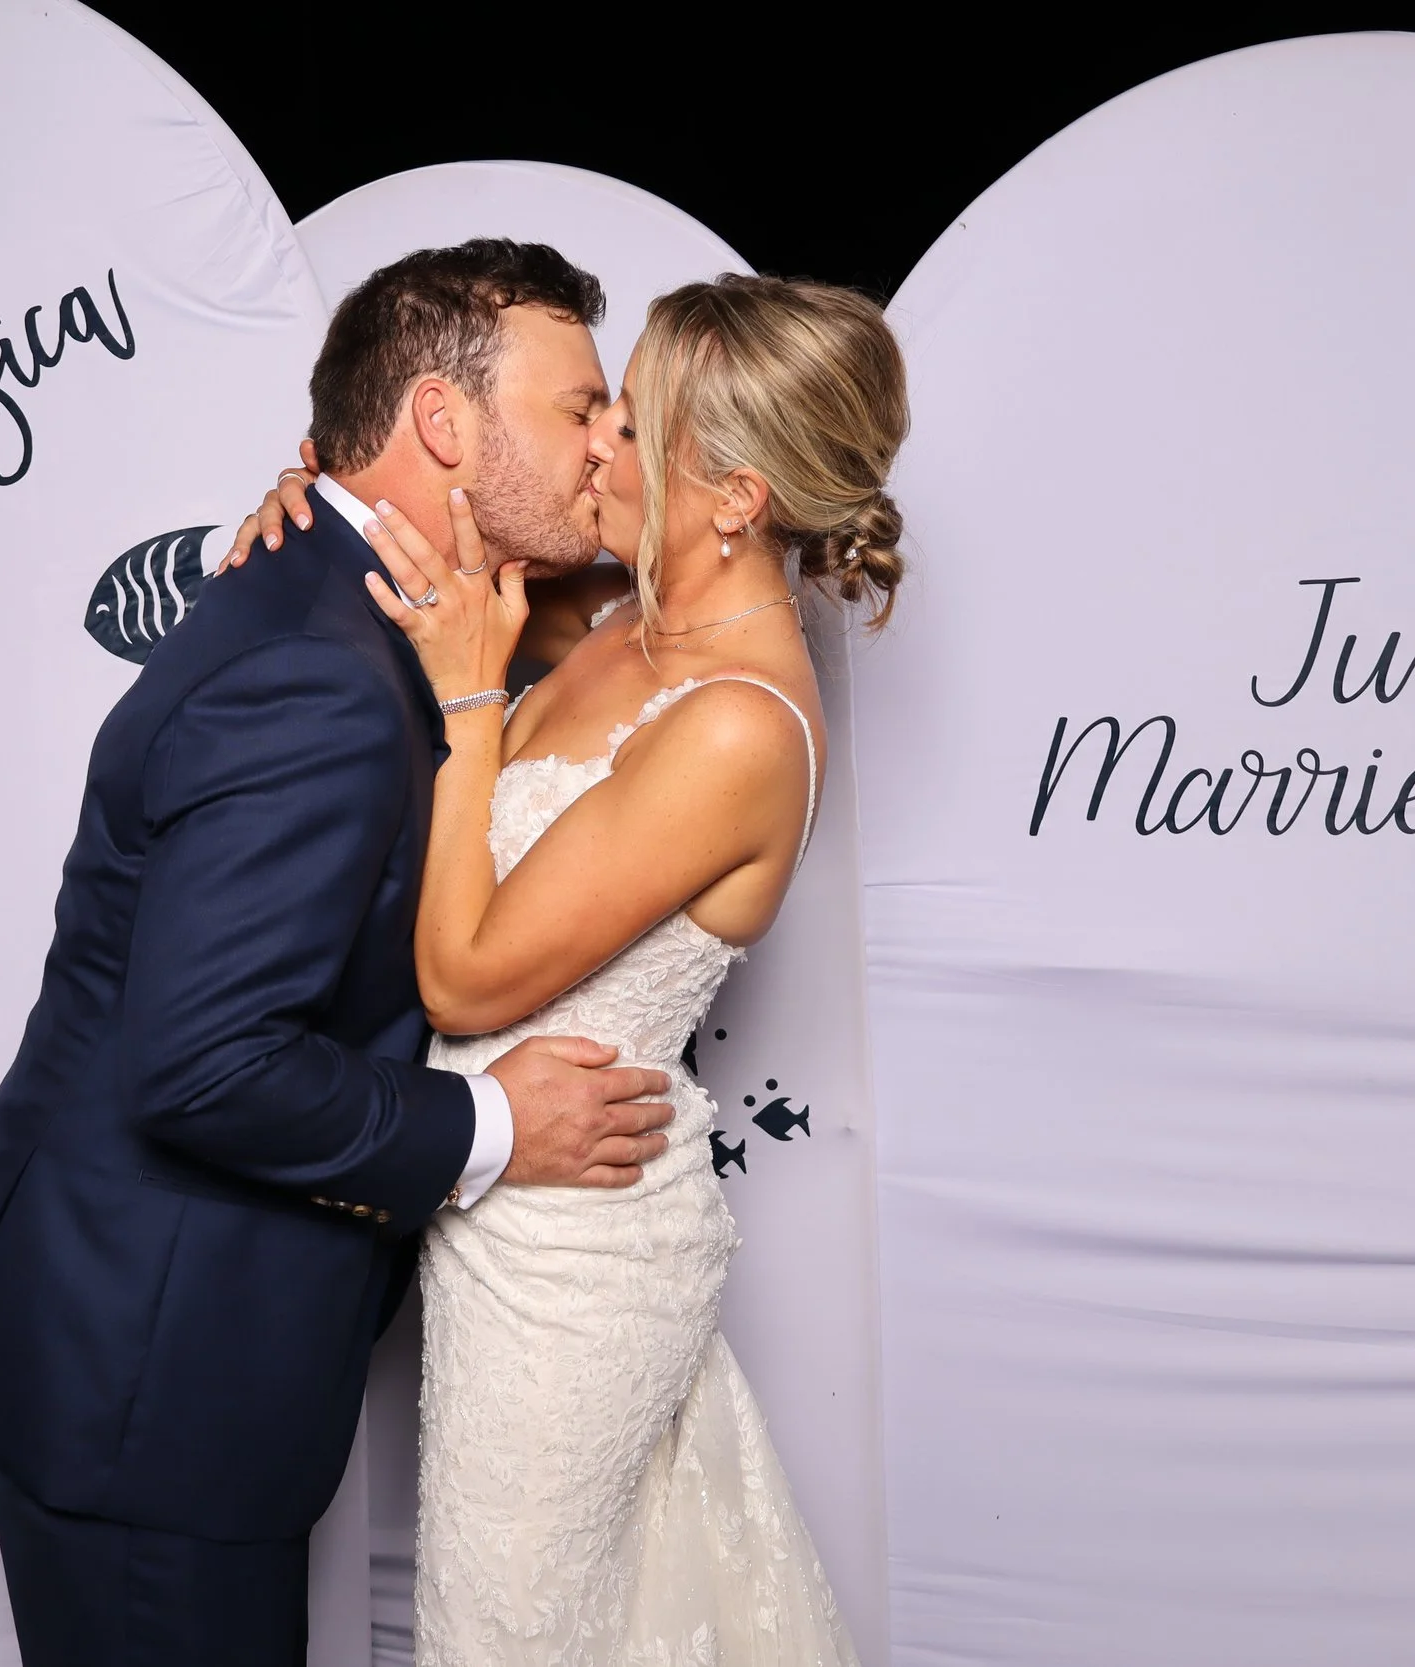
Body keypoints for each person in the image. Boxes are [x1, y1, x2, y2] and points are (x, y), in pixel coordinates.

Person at [0, 240, 681, 1667]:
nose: (606, 442)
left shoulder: (373, 595)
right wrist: (497, 1123)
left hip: (157, 1341)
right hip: (147, 1381)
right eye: (580, 407)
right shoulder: (319, 667)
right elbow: (205, 1065)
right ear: (444, 423)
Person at [226, 271, 908, 1663]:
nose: (592, 443)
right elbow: (419, 560)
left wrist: (473, 701)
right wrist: (311, 507)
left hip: (575, 1265)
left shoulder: (738, 728)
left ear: (738, 496)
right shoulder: (616, 613)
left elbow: (468, 978)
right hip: (495, 1215)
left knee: (503, 1633)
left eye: (631, 424)